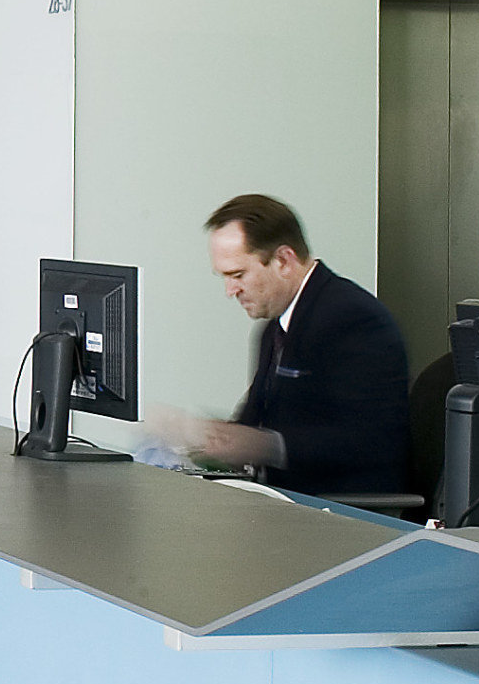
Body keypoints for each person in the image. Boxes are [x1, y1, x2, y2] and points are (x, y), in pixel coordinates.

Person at [143, 191, 410, 498]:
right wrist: (203, 436)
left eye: (238, 274)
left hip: (339, 509)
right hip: (280, 500)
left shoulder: (353, 319)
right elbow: (253, 425)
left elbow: (371, 442)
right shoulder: (274, 327)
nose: (230, 291)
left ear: (283, 260)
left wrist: (267, 446)